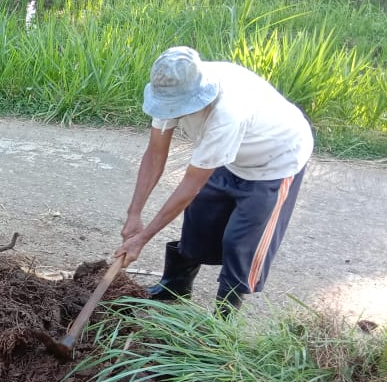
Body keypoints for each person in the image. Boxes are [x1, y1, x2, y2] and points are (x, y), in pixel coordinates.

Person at [116, 46, 314, 316]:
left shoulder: (228, 113)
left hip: (276, 161)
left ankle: (222, 321)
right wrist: (134, 213)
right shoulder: (171, 87)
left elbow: (191, 185)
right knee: (200, 218)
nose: (172, 111)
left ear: (198, 94)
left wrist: (142, 239)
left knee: (240, 242)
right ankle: (176, 286)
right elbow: (155, 154)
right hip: (231, 156)